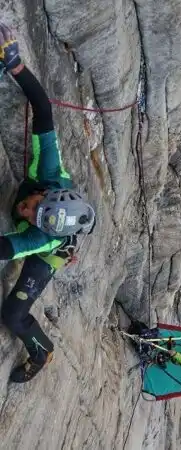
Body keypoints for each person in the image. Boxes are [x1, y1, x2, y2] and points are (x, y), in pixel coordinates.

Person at [0, 23, 96, 383]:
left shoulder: (42, 240)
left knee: (13, 315)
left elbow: (7, 247)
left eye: (33, 217)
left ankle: (41, 351)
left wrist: (39, 233)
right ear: (48, 193)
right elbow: (42, 108)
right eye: (33, 206)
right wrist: (15, 65)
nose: (26, 211)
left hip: (49, 256)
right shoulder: (50, 172)